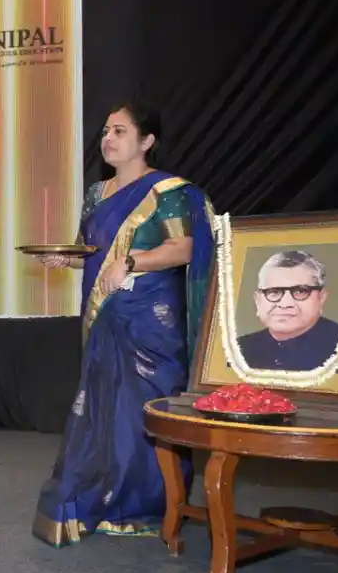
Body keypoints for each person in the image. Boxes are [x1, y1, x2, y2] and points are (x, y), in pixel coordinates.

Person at [30, 101, 214, 547]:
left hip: (150, 320)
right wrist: (67, 258)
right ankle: (101, 499)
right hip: (105, 316)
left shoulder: (168, 192)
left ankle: (150, 506)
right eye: (105, 131)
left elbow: (185, 249)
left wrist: (132, 261)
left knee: (146, 411)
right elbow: (92, 253)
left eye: (120, 131)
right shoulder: (98, 193)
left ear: (146, 141)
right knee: (102, 408)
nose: (108, 140)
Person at [237, 250, 338, 371]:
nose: (285, 304)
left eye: (301, 291)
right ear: (257, 300)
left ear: (321, 298)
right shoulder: (238, 350)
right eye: (273, 292)